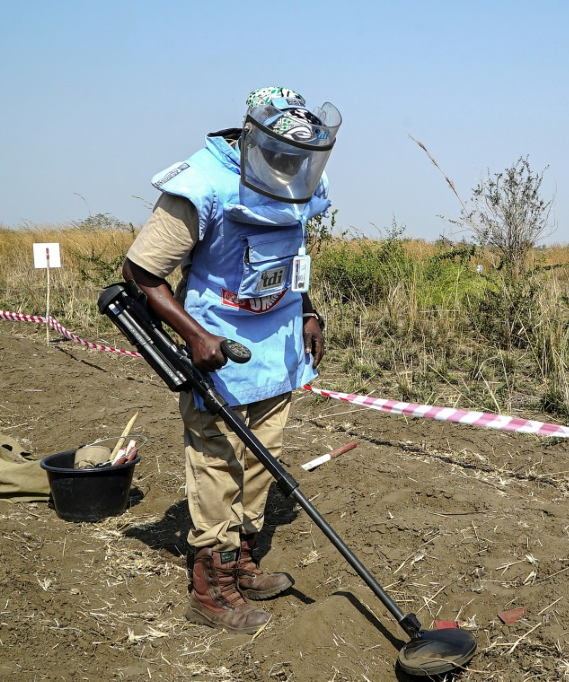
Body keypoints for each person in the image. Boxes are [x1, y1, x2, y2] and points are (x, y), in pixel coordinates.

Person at [121, 86, 341, 633]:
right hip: (219, 347)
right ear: (253, 137)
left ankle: (241, 559)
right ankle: (209, 588)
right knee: (217, 462)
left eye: (300, 158)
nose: (291, 166)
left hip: (278, 344)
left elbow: (290, 258)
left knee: (266, 456)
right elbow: (141, 273)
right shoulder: (203, 184)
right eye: (283, 155)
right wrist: (194, 335)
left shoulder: (300, 181)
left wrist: (307, 310)